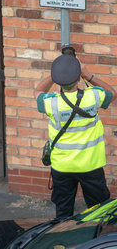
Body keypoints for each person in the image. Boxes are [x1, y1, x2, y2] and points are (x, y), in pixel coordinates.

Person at [34, 53, 117, 219]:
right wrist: (88, 75)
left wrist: (55, 75)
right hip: (91, 165)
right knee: (99, 211)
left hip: (62, 167)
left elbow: (38, 91)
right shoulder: (93, 96)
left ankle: (62, 241)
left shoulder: (51, 103)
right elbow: (112, 93)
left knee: (63, 212)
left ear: (58, 79)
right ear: (79, 77)